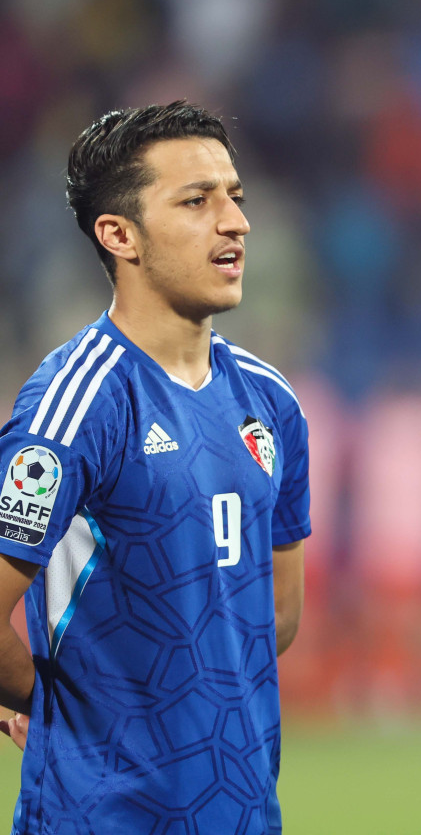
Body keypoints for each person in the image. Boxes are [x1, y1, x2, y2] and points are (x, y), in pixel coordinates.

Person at [0, 102, 310, 833]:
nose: (234, 222)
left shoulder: (271, 402)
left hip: (242, 812)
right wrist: (60, 709)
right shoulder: (76, 406)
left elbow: (278, 613)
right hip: (102, 816)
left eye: (235, 197)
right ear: (120, 235)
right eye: (197, 201)